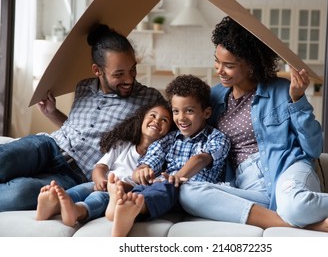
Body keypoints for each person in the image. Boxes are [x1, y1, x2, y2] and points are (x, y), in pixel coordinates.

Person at [179, 16, 328, 234]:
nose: (219, 70)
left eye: (229, 65)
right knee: (188, 192)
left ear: (250, 64)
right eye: (217, 61)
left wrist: (298, 100)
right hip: (247, 185)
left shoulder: (282, 90)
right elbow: (192, 134)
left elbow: (314, 148)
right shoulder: (214, 98)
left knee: (294, 205)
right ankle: (300, 221)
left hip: (288, 170)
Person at [0, 24, 164, 211]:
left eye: (132, 70)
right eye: (119, 74)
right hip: (49, 145)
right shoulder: (83, 87)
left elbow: (176, 126)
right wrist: (52, 113)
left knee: (19, 195)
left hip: (77, 174)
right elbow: (77, 129)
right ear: (97, 70)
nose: (129, 79)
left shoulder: (150, 100)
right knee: (4, 159)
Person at [109, 75, 231, 237]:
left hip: (192, 190)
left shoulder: (217, 138)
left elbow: (201, 159)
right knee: (145, 186)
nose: (181, 118)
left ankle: (134, 207)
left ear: (206, 113)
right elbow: (154, 154)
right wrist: (143, 168)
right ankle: (120, 203)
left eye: (189, 111)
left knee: (167, 186)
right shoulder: (170, 138)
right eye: (176, 111)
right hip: (162, 186)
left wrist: (179, 177)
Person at [35, 101, 174, 226]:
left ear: (170, 131)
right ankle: (54, 203)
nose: (157, 121)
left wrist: (115, 187)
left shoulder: (161, 159)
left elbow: (144, 188)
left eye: (164, 120)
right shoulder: (123, 144)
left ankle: (78, 211)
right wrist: (101, 180)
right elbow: (100, 167)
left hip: (118, 193)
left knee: (99, 198)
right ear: (142, 118)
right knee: (83, 188)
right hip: (103, 183)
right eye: (152, 115)